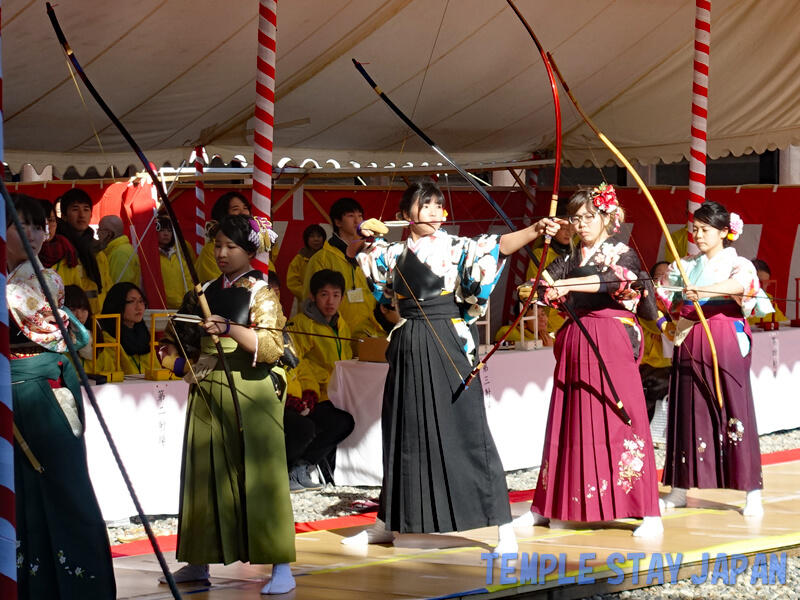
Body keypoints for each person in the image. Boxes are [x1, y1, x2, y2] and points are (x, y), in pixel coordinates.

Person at [344, 179, 560, 553]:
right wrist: (363, 233)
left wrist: (536, 229)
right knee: (403, 430)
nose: (433, 210)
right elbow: (356, 252)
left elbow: (497, 247)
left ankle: (502, 525)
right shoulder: (391, 252)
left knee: (466, 428)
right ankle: (389, 522)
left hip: (448, 338)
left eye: (437, 205)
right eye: (424, 204)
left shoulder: (457, 246)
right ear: (404, 215)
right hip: (409, 340)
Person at [513, 184, 663, 538]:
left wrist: (569, 286)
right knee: (570, 422)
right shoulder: (570, 257)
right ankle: (553, 506)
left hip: (611, 339)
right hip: (577, 340)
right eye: (576, 218)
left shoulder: (621, 253)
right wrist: (537, 288)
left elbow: (616, 280)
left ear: (608, 218)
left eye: (588, 217)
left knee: (622, 417)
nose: (581, 224)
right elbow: (544, 283)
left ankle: (647, 511)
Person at [157, 214, 296, 594]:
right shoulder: (201, 291)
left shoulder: (260, 292)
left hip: (251, 391)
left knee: (260, 475)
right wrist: (177, 360)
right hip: (207, 388)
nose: (221, 253)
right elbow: (174, 339)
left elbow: (269, 347)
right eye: (217, 245)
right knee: (203, 474)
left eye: (231, 247)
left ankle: (280, 564)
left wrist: (229, 328)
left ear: (250, 250)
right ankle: (197, 560)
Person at [7, 194, 116, 599]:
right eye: (21, 225)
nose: (34, 235)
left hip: (44, 392)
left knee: (66, 491)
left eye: (39, 225)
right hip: (11, 394)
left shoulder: (45, 280)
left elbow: (64, 338)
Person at [657, 201, 773, 517]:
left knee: (735, 408)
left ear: (724, 232)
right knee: (686, 409)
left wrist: (703, 290)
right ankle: (680, 488)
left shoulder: (741, 264)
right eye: (695, 229)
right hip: (691, 338)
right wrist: (660, 291)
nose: (698, 235)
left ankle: (752, 491)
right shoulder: (685, 263)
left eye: (705, 229)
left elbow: (740, 286)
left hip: (724, 336)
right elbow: (664, 294)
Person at [286, 269, 356, 486]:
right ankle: (301, 465)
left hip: (337, 393)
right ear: (312, 296)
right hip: (314, 396)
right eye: (324, 295)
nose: (330, 301)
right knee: (344, 423)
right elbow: (296, 364)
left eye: (336, 295)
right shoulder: (301, 325)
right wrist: (312, 391)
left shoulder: (341, 324)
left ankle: (337, 473)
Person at [302, 197, 376, 350]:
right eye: (350, 216)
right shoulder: (321, 258)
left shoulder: (371, 253)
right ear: (338, 222)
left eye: (360, 216)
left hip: (369, 332)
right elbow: (309, 300)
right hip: (335, 335)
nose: (357, 221)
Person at [56, 188, 113, 314]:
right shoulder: (58, 251)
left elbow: (107, 288)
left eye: (86, 209)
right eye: (75, 209)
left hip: (97, 319)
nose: (82, 215)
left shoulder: (98, 252)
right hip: (69, 318)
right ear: (64, 216)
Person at [639, 261, 673, 422]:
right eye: (659, 275)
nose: (663, 278)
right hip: (648, 363)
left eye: (668, 274)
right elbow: (654, 324)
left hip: (669, 363)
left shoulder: (678, 302)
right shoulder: (644, 301)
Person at [195, 191, 252, 282]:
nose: (243, 213)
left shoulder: (252, 242)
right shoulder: (210, 250)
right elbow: (215, 283)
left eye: (245, 208)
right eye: (235, 209)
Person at [64, 284, 119, 374]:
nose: (79, 315)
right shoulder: (55, 348)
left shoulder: (98, 347)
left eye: (83, 309)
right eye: (73, 309)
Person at [100, 282, 152, 375]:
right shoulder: (107, 340)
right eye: (132, 301)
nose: (139, 307)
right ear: (117, 304)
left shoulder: (144, 335)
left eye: (141, 301)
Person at [37, 198, 80, 286]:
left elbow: (77, 290)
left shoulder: (68, 251)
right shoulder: (21, 254)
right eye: (42, 222)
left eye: (51, 220)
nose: (47, 226)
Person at [157, 215, 197, 309]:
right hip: (162, 310)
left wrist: (187, 300)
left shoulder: (177, 256)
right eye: (162, 230)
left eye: (169, 231)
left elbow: (188, 280)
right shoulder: (152, 258)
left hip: (182, 308)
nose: (166, 234)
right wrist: (178, 302)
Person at [286, 223, 326, 308]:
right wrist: (309, 295)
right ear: (306, 239)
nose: (316, 239)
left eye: (319, 236)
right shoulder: (299, 259)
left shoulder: (328, 256)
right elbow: (293, 283)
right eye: (312, 236)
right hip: (307, 303)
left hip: (328, 300)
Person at [98, 214, 141, 285]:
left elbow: (118, 286)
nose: (97, 233)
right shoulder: (122, 248)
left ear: (109, 234)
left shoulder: (120, 253)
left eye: (99, 229)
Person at [747, 258, 786, 326]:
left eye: (766, 282)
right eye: (759, 281)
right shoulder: (740, 300)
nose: (763, 287)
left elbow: (784, 322)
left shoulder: (769, 298)